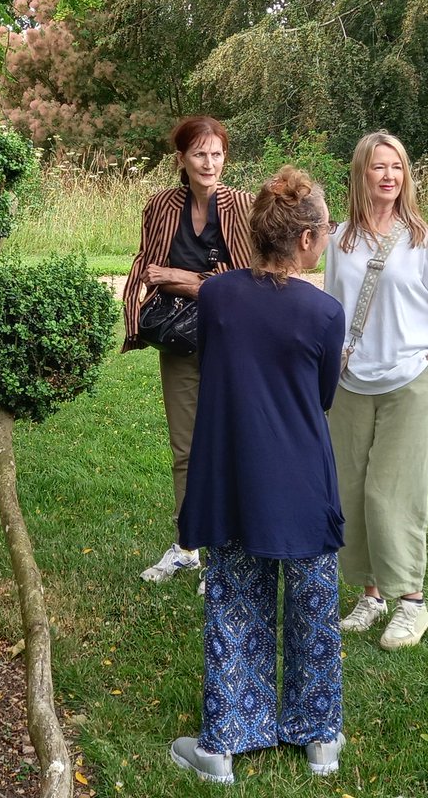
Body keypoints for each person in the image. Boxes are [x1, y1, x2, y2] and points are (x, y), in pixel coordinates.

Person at [169, 166, 347, 784]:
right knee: (311, 607)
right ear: (305, 241)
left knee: (235, 604)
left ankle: (224, 740)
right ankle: (319, 735)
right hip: (299, 476)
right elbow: (322, 395)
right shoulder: (324, 313)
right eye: (322, 230)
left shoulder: (218, 294)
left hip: (232, 474)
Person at [325, 130, 428, 649]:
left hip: (408, 382)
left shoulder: (421, 241)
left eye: (398, 168)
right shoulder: (339, 240)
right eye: (379, 167)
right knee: (350, 492)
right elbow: (333, 309)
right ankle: (371, 594)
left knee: (391, 494)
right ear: (361, 173)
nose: (389, 176)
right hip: (349, 385)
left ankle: (411, 600)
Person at [123, 116, 253, 584]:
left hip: (234, 342)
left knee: (230, 444)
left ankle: (226, 552)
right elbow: (146, 264)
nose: (209, 163)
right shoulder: (160, 206)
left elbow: (247, 282)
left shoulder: (241, 206)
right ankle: (187, 544)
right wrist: (163, 281)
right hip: (179, 340)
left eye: (216, 153)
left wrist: (181, 279)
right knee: (186, 448)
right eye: (199, 153)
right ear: (181, 159)